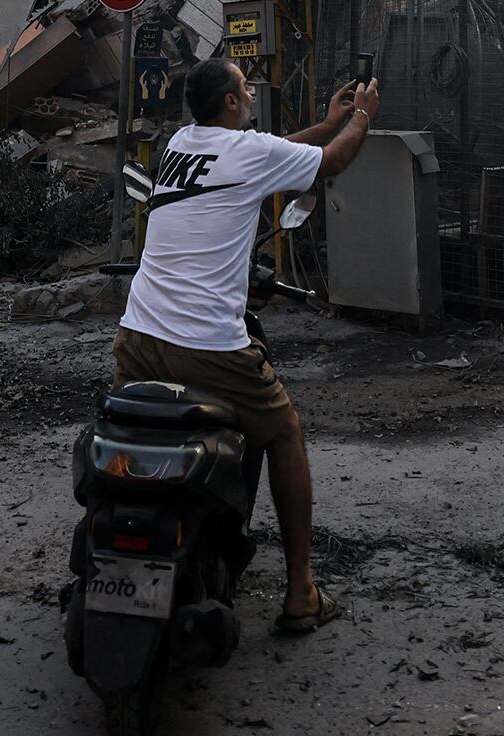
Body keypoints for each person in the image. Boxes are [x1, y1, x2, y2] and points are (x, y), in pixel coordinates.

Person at [111, 56, 380, 636]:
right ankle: (301, 592)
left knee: (128, 431)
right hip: (208, 345)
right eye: (245, 88)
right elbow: (330, 163)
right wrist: (360, 116)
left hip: (137, 336)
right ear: (231, 102)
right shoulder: (246, 152)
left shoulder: (179, 145)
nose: (253, 94)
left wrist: (326, 122)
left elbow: (274, 152)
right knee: (285, 433)